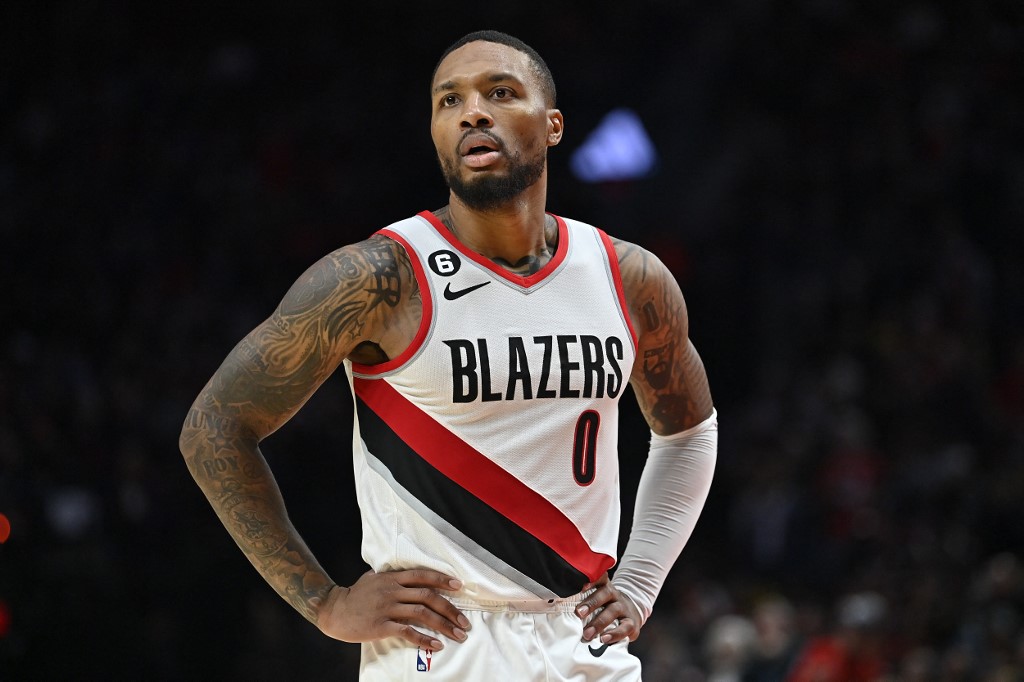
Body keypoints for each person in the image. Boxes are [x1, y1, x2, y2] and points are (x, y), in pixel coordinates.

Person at [179, 29, 718, 681]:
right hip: (439, 646)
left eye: (499, 92)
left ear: (552, 126)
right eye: (449, 100)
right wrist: (324, 602)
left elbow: (688, 433)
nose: (472, 112)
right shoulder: (378, 278)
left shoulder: (630, 278)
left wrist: (639, 581)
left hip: (583, 645)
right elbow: (214, 428)